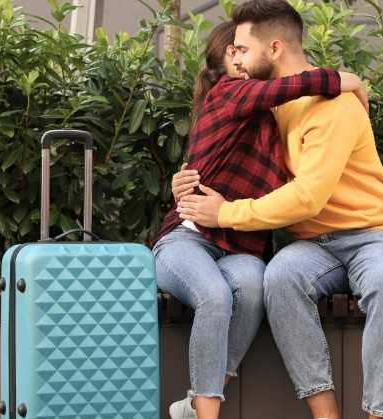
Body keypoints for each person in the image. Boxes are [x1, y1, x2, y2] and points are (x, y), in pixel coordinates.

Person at [175, 1, 383, 418]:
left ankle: (380, 414)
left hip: (375, 233)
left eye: (243, 49)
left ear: (274, 48)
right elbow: (222, 154)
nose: (236, 59)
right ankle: (326, 414)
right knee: (280, 278)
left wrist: (226, 213)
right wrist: (184, 180)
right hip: (313, 244)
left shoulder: (333, 105)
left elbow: (308, 196)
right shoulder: (266, 103)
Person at [153, 20, 368, 419]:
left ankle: (197, 405)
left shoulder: (275, 118)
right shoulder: (229, 92)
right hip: (188, 239)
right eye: (234, 50)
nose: (241, 57)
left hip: (241, 247)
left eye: (244, 49)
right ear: (225, 57)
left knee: (252, 290)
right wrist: (342, 79)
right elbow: (288, 85)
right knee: (215, 296)